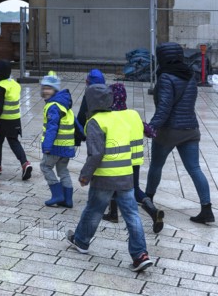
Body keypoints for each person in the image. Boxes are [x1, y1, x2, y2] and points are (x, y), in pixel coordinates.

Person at [66, 84, 154, 273]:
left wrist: (85, 176)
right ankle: (140, 255)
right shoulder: (118, 117)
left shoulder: (95, 122)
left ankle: (81, 241)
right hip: (126, 175)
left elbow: (96, 154)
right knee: (132, 214)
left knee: (94, 210)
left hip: (105, 177)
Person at [145, 42, 214, 224]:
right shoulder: (189, 75)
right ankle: (206, 209)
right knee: (195, 169)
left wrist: (152, 126)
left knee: (156, 166)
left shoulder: (166, 77)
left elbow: (165, 107)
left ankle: (147, 200)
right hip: (190, 129)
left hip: (169, 130)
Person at [102, 83, 165, 233]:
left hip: (118, 160)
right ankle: (153, 211)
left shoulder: (109, 116)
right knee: (135, 189)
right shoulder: (133, 114)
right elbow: (150, 132)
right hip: (134, 161)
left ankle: (112, 214)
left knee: (111, 185)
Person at [40, 71, 79, 208]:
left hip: (56, 146)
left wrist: (47, 146)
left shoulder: (53, 107)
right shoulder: (64, 103)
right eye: (44, 88)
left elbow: (52, 128)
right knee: (63, 170)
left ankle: (57, 194)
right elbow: (76, 122)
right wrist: (81, 136)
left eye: (49, 88)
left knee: (45, 166)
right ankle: (68, 199)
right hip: (68, 145)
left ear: (55, 89)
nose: (45, 91)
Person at [0, 60, 31, 179]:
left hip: (2, 120)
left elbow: (0, 107)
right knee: (14, 142)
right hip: (15, 119)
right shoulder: (15, 84)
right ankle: (25, 164)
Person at [76, 69, 105, 145]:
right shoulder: (108, 94)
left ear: (87, 82)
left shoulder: (88, 96)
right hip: (107, 130)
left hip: (93, 130)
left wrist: (78, 138)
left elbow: (82, 116)